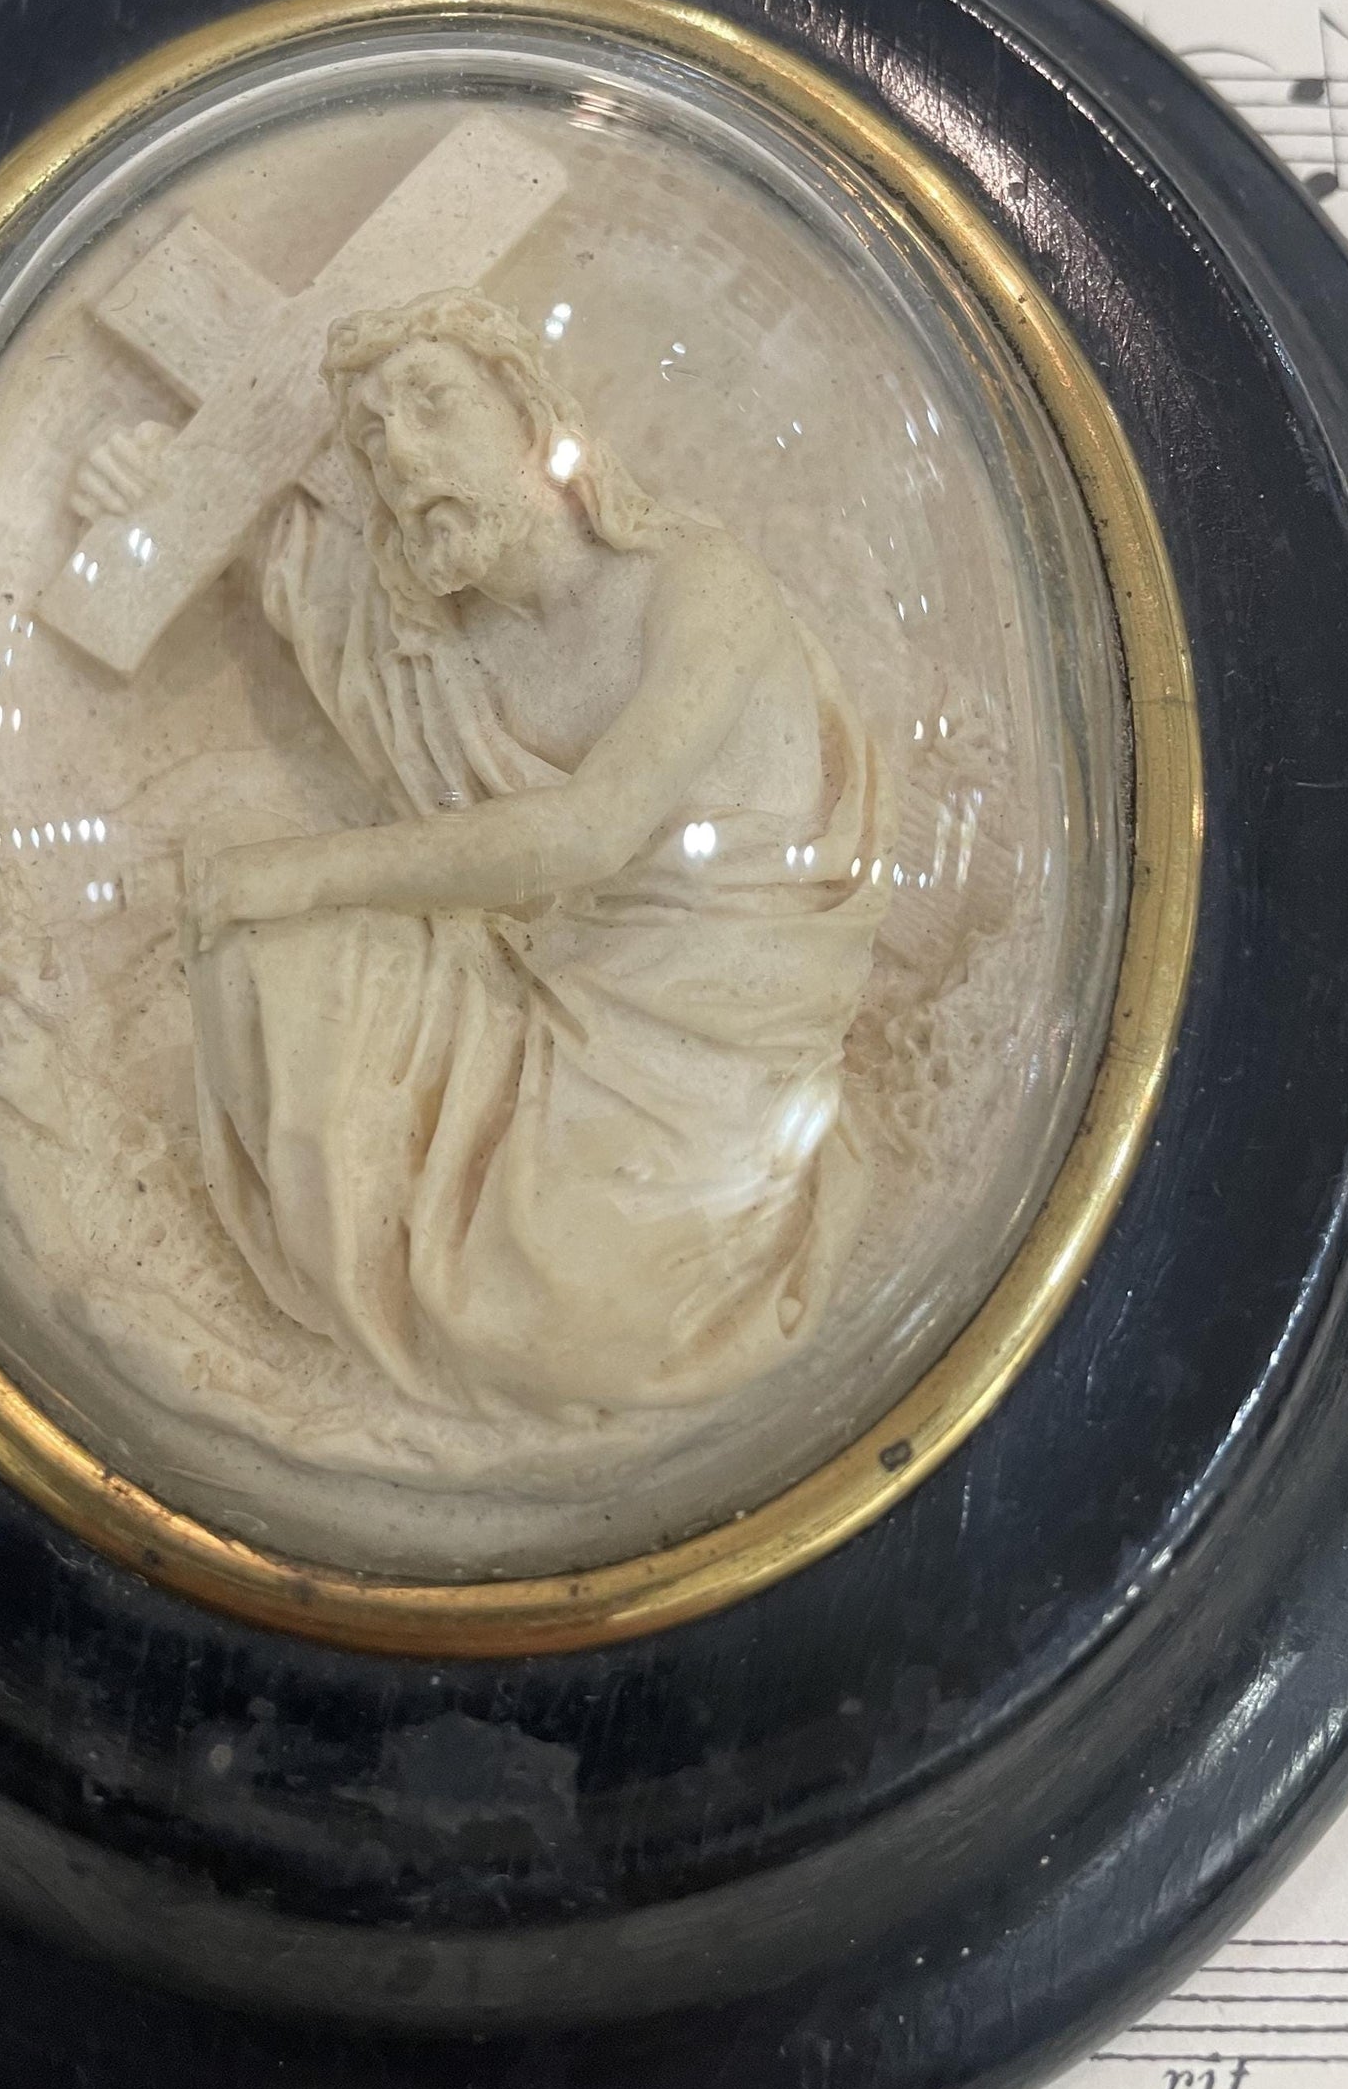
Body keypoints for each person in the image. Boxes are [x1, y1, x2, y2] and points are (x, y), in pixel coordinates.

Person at [183, 289, 893, 1418]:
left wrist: (303, 868)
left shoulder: (693, 579)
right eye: (371, 436)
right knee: (260, 968)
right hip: (550, 992)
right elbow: (340, 642)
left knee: (565, 1327)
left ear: (533, 415)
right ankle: (390, 1270)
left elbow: (587, 832)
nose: (399, 454)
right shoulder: (449, 654)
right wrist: (178, 497)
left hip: (710, 1032)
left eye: (432, 403)